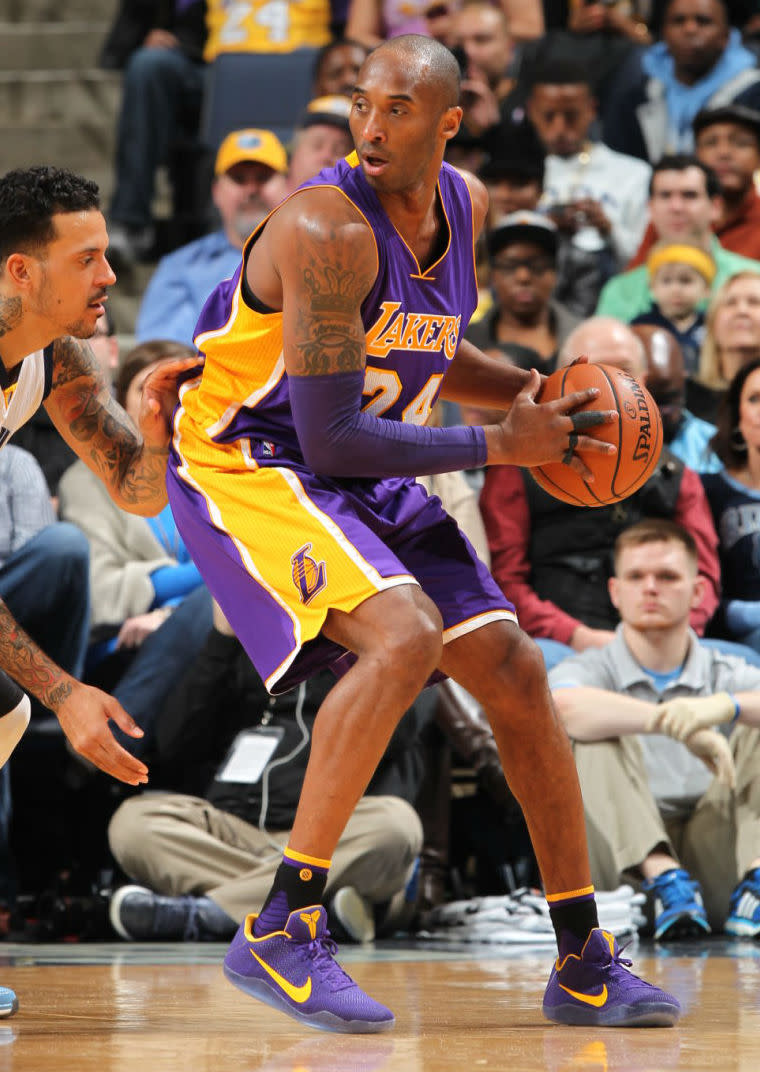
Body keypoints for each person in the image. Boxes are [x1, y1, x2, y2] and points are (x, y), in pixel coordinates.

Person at [166, 34, 679, 1033]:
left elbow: (431, 352)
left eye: (396, 109)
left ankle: (581, 954)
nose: (368, 128)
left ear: (450, 122)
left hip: (361, 451)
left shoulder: (461, 204)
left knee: (513, 668)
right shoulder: (324, 225)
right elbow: (332, 437)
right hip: (253, 456)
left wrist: (540, 400)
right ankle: (282, 925)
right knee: (401, 635)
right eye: (360, 104)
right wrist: (500, 445)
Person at [0, 164, 190, 1017]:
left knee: (2, 715)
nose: (111, 275)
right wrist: (68, 691)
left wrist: (154, 434)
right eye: (88, 258)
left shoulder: (56, 351)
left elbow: (137, 491)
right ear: (20, 271)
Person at [106, 604, 424, 944]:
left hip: (329, 838)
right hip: (231, 836)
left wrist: (359, 647)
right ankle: (315, 908)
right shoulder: (254, 639)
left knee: (396, 826)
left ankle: (209, 915)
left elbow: (400, 732)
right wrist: (222, 640)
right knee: (132, 823)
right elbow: (176, 742)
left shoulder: (393, 643)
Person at [549, 519, 760, 939]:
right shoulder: (587, 668)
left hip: (716, 861)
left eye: (666, 576)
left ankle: (756, 884)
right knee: (594, 730)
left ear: (698, 591)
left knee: (756, 722)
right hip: (623, 876)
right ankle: (665, 878)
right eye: (636, 576)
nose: (650, 588)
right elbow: (562, 708)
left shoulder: (726, 670)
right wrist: (671, 723)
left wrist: (725, 706)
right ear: (615, 591)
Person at [480, 317, 721, 671]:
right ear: (560, 381)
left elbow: (704, 578)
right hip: (559, 643)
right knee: (531, 665)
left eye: (623, 371)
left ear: (644, 383)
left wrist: (673, 636)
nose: (610, 385)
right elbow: (503, 581)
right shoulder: (516, 469)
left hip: (664, 640)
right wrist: (578, 636)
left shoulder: (678, 474)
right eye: (592, 372)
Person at [58, 342, 214, 758]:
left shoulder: (221, 477)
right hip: (121, 649)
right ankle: (109, 751)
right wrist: (207, 582)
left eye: (181, 393)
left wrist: (172, 611)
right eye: (149, 394)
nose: (165, 406)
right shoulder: (85, 481)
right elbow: (101, 589)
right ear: (120, 408)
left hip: (202, 635)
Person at [135, 128, 288, 346]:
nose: (251, 190)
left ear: (288, 186)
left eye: (263, 178)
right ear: (216, 192)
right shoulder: (180, 267)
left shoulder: (313, 258)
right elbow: (163, 357)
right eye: (239, 179)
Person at [103, 0, 208, 268]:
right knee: (148, 64)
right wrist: (144, 35)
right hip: (198, 58)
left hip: (290, 52)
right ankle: (130, 222)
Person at [597, 155, 760, 322]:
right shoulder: (621, 291)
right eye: (665, 195)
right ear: (650, 208)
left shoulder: (755, 278)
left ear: (715, 207)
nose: (676, 207)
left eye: (689, 195)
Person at [601, 0, 760, 164]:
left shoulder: (753, 92)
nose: (690, 29)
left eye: (703, 21)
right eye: (678, 21)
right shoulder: (639, 94)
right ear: (664, 34)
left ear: (726, 36)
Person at [629, 102, 760, 265]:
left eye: (741, 143)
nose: (724, 153)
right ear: (696, 154)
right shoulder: (673, 213)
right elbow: (635, 284)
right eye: (711, 143)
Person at [465, 211, 581, 376]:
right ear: (493, 275)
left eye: (537, 265)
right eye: (509, 265)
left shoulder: (583, 336)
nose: (523, 277)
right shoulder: (463, 342)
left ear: (555, 272)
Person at [702, 357, 760, 652]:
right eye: (754, 399)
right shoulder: (707, 490)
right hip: (733, 641)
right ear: (738, 416)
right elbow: (698, 585)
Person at [631, 324, 722, 473]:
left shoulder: (714, 444)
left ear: (684, 379)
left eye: (669, 400)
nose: (661, 414)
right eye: (649, 402)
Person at [631, 240, 716, 372]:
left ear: (706, 289)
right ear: (652, 287)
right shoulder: (641, 326)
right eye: (666, 281)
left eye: (685, 280)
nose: (675, 289)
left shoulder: (712, 324)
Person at [693, 270, 760, 420]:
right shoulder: (686, 397)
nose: (741, 311)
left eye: (754, 302)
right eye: (730, 303)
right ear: (712, 325)